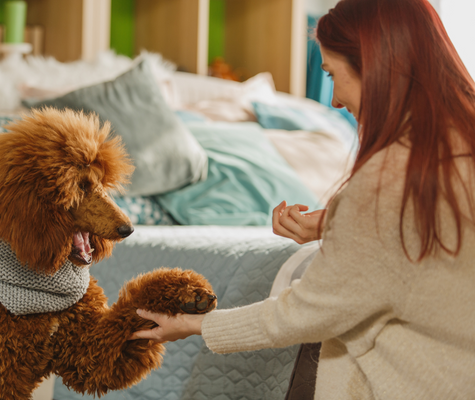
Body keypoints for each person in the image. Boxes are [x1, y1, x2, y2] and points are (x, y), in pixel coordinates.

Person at [130, 0, 475, 398]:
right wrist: (334, 222)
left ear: (376, 67)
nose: (334, 102)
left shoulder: (384, 183)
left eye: (331, 75)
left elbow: (307, 312)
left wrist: (196, 326)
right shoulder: (454, 145)